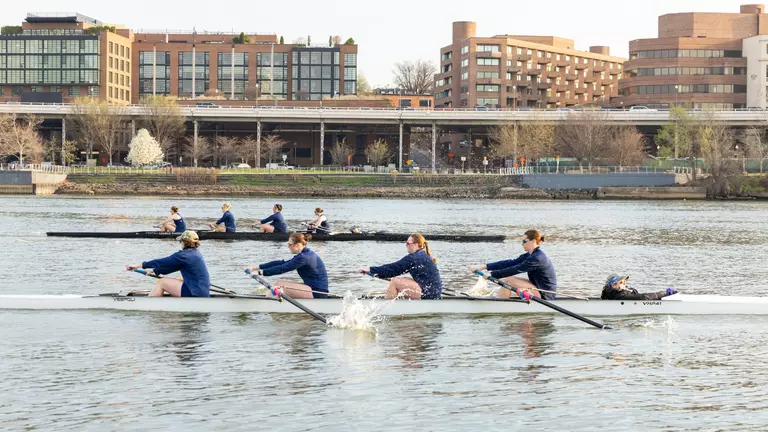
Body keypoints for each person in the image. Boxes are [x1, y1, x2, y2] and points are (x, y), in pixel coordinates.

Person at [471, 229, 557, 300]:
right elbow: (510, 263)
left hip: (545, 294)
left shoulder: (537, 258)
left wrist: (492, 275)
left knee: (509, 281)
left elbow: (515, 269)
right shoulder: (529, 255)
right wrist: (484, 266)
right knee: (508, 279)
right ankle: (500, 299)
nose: (522, 244)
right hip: (538, 287)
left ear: (533, 241)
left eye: (524, 241)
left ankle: (499, 305)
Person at [126, 230, 210, 297]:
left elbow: (162, 262)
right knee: (173, 280)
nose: (180, 244)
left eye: (180, 241)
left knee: (162, 282)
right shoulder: (195, 253)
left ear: (185, 242)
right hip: (201, 291)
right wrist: (153, 270)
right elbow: (171, 268)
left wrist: (139, 265)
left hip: (195, 292)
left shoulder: (183, 255)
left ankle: (149, 304)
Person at [359, 233, 443, 300]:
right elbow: (393, 270)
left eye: (408, 243)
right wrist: (372, 273)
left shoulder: (414, 258)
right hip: (434, 291)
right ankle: (398, 300)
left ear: (416, 244)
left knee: (395, 281)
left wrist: (370, 269)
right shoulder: (423, 255)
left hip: (429, 294)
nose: (406, 245)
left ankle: (388, 307)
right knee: (404, 279)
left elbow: (392, 269)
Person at [245, 232, 328, 299]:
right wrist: (254, 268)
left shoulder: (303, 257)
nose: (288, 246)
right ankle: (271, 302)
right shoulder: (304, 254)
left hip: (317, 292)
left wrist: (260, 273)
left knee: (279, 285)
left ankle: (266, 305)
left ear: (298, 245)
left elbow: (283, 268)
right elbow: (281, 263)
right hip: (312, 288)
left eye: (290, 244)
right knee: (279, 283)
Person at [600, 274, 678, 300]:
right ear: (614, 285)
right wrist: (664, 294)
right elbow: (644, 297)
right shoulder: (620, 295)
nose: (625, 284)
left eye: (625, 282)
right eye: (621, 282)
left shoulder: (618, 293)